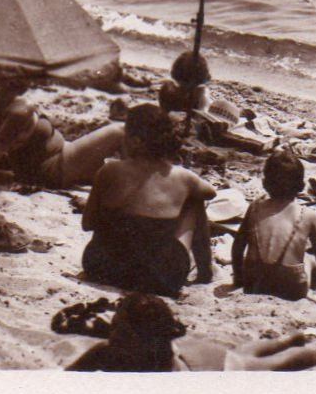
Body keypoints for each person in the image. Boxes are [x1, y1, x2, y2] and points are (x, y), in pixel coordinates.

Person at [81, 104, 216, 296]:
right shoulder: (184, 177)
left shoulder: (110, 170)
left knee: (191, 195)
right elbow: (211, 192)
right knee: (195, 200)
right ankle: (205, 271)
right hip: (159, 277)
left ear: (135, 141)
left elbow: (87, 224)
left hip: (102, 267)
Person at [66, 292, 316, 372]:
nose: (112, 335)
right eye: (114, 328)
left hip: (205, 366)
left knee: (259, 366)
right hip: (197, 352)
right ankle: (287, 340)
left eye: (121, 332)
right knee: (240, 354)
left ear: (146, 341)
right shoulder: (110, 350)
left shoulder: (160, 367)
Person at [231, 148, 316, 302]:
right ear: (301, 187)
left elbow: (237, 247)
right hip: (292, 287)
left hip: (255, 283)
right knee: (309, 259)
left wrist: (238, 279)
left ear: (265, 184)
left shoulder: (255, 207)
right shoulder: (308, 215)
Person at [0, 94, 127, 189]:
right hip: (56, 167)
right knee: (119, 130)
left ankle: (134, 177)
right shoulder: (18, 111)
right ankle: (135, 178)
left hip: (58, 162)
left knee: (116, 176)